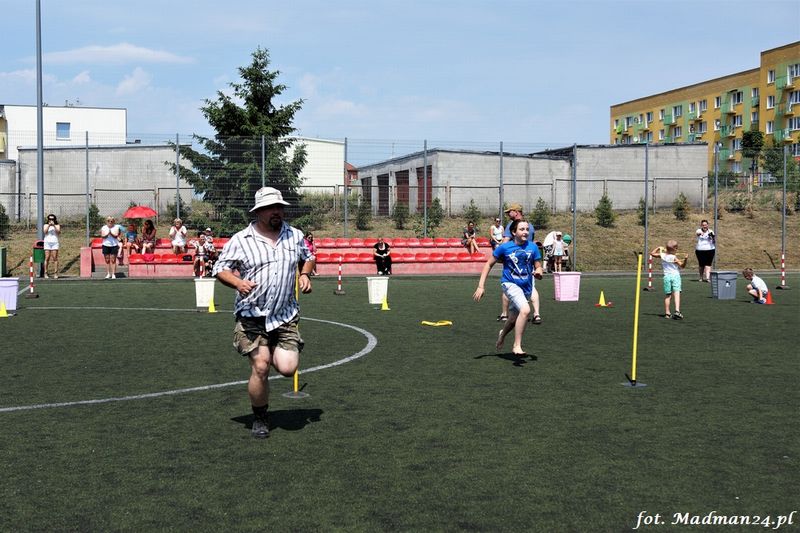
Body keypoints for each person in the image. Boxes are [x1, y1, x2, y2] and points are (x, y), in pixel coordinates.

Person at [213, 187, 315, 439]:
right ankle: (260, 417)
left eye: (279, 207)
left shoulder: (295, 235)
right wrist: (238, 283)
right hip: (252, 315)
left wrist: (304, 274)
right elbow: (220, 269)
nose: (277, 212)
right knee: (261, 366)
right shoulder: (241, 240)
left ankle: (274, 352)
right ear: (258, 212)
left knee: (288, 368)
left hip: (284, 315)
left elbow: (309, 256)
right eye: (271, 208)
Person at [473, 219, 543, 357]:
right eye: (522, 229)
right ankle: (517, 345)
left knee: (512, 320)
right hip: (509, 284)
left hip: (526, 287)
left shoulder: (533, 247)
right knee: (526, 310)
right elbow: (488, 264)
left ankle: (502, 334)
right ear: (513, 232)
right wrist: (481, 286)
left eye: (527, 229)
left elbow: (538, 265)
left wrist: (539, 271)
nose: (525, 232)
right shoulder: (504, 248)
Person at [498, 203, 542, 324]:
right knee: (531, 287)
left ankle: (504, 314)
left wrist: (500, 253)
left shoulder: (513, 225)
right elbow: (531, 243)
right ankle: (536, 314)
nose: (508, 214)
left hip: (514, 262)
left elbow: (505, 242)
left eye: (510, 211)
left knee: (508, 286)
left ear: (516, 212)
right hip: (528, 261)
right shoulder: (529, 225)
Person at [650, 240, 687, 319]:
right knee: (676, 293)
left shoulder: (662, 255)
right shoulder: (673, 257)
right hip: (675, 276)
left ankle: (667, 313)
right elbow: (682, 266)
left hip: (666, 277)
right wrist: (685, 260)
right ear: (675, 248)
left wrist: (658, 248)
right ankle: (677, 311)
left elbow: (652, 253)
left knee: (668, 295)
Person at [42, 213, 61, 279]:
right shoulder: (45, 225)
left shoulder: (57, 225)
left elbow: (58, 232)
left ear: (55, 219)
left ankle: (55, 273)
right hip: (47, 243)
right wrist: (49, 226)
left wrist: (54, 226)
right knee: (47, 258)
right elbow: (45, 232)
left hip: (55, 242)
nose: (51, 220)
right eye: (50, 219)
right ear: (48, 219)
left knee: (55, 258)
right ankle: (45, 273)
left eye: (52, 219)